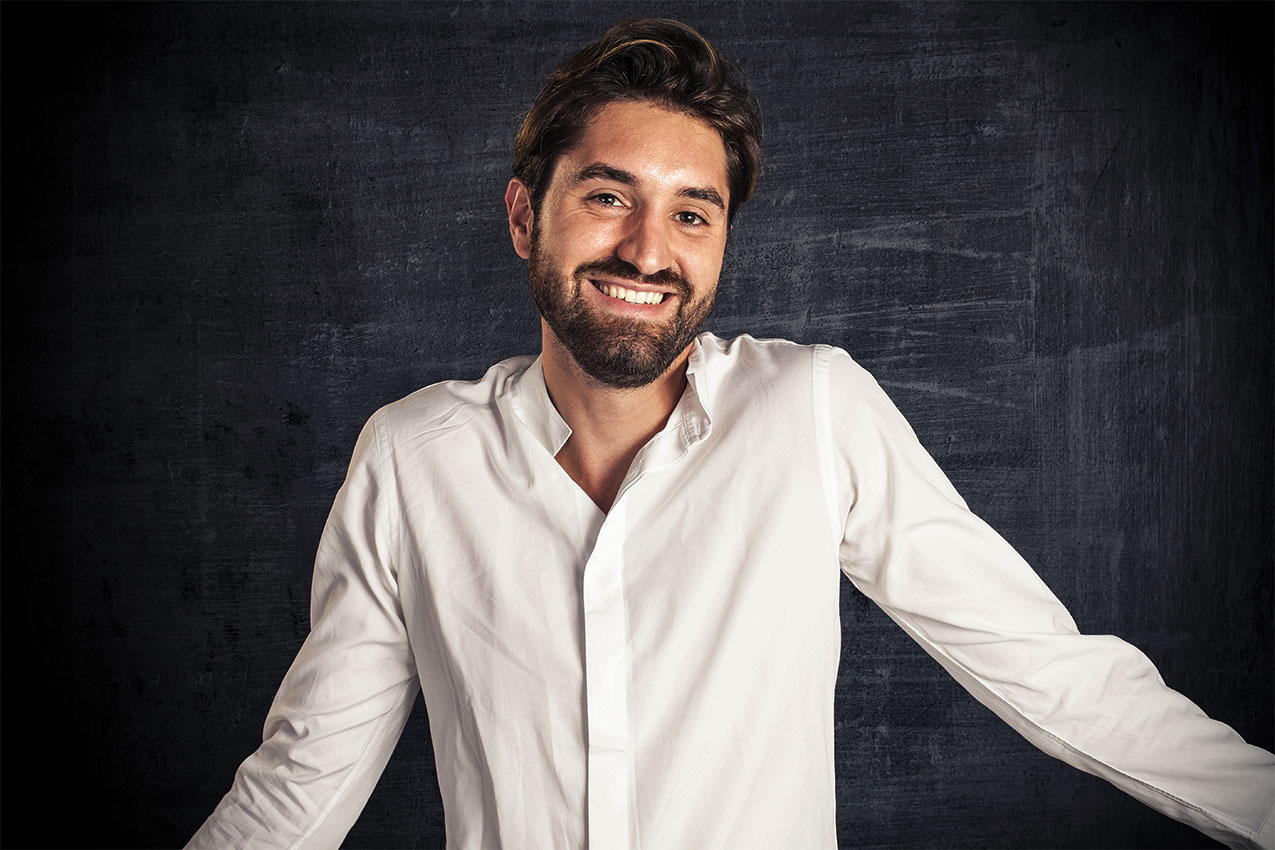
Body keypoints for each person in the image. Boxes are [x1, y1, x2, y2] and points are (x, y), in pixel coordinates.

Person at [186, 17, 1274, 850]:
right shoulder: (413, 459)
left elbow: (1060, 677)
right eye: (608, 196)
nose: (647, 250)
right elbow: (298, 790)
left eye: (692, 212)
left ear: (721, 241)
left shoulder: (811, 411)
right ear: (527, 215)